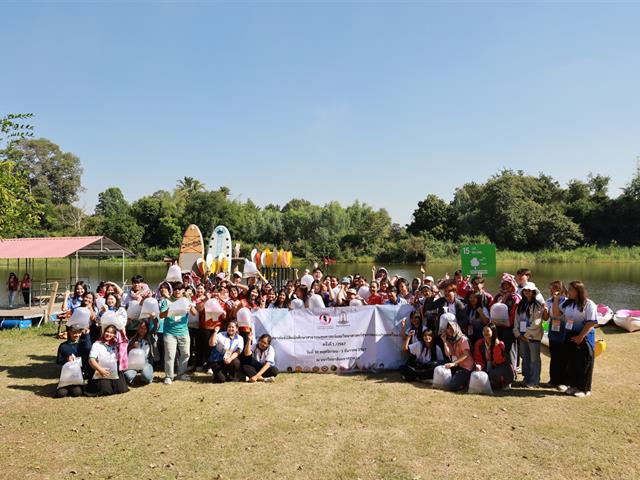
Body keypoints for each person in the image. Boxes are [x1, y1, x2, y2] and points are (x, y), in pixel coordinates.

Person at [553, 281, 597, 397]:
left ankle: (584, 389)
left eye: (571, 289)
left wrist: (580, 336)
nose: (568, 291)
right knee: (571, 362)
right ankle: (573, 386)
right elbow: (556, 314)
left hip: (584, 336)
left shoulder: (589, 304)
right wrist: (556, 300)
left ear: (578, 291)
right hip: (570, 335)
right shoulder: (568, 303)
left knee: (584, 363)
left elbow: (591, 322)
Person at [160, 283, 196, 385]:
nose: (177, 291)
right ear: (173, 291)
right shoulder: (166, 301)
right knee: (170, 355)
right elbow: (161, 315)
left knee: (185, 354)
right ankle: (169, 376)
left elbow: (194, 313)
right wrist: (169, 310)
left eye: (180, 289)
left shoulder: (185, 300)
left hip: (183, 332)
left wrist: (190, 304)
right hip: (169, 333)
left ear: (183, 291)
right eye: (175, 289)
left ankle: (181, 374)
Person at [514, 282, 545, 388]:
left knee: (534, 359)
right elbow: (516, 319)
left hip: (533, 336)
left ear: (533, 292)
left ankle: (535, 380)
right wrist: (518, 333)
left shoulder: (538, 305)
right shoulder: (520, 305)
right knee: (525, 358)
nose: (527, 292)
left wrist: (526, 334)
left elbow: (537, 322)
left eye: (529, 290)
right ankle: (526, 378)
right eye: (525, 290)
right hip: (522, 336)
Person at [86, 324, 129, 396]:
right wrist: (100, 369)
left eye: (112, 333)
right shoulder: (97, 344)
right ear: (103, 332)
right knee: (105, 390)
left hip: (114, 371)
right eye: (107, 332)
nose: (109, 334)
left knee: (121, 389)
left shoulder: (117, 344)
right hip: (100, 370)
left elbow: (124, 342)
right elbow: (91, 360)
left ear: (115, 334)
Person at [473, 324, 514, 390]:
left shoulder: (500, 344)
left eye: (487, 331)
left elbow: (499, 361)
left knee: (493, 374)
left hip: (502, 368)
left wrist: (496, 347)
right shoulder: (479, 343)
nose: (485, 333)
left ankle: (505, 383)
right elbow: (478, 358)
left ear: (493, 332)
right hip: (487, 366)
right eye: (484, 331)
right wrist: (479, 366)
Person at [544, 281, 568, 390]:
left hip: (563, 332)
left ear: (561, 289)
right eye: (551, 288)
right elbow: (546, 317)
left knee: (563, 357)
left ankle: (563, 382)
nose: (552, 290)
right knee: (554, 357)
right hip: (553, 332)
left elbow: (557, 314)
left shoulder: (566, 302)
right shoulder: (548, 301)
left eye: (554, 288)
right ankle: (553, 380)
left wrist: (557, 300)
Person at [55, 325, 92, 398]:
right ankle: (66, 386)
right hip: (67, 375)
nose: (76, 335)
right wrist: (66, 359)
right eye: (74, 332)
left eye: (79, 332)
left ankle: (76, 386)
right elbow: (58, 361)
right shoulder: (63, 346)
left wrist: (87, 335)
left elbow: (88, 348)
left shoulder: (83, 344)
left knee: (76, 392)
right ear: (69, 332)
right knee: (60, 394)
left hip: (79, 375)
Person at [440, 317, 474, 392]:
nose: (450, 330)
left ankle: (465, 382)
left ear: (456, 328)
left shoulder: (463, 339)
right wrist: (444, 341)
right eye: (448, 328)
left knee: (453, 386)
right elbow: (448, 354)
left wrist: (453, 363)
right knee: (438, 366)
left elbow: (466, 355)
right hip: (458, 365)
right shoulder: (452, 340)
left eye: (452, 328)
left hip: (466, 368)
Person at [123, 319, 157, 386]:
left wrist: (154, 319)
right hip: (133, 364)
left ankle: (147, 375)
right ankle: (132, 378)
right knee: (128, 376)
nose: (142, 330)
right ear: (138, 329)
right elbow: (127, 352)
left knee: (147, 377)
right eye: (141, 328)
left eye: (145, 328)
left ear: (147, 329)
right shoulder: (133, 339)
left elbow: (156, 328)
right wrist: (133, 347)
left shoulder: (150, 338)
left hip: (145, 362)